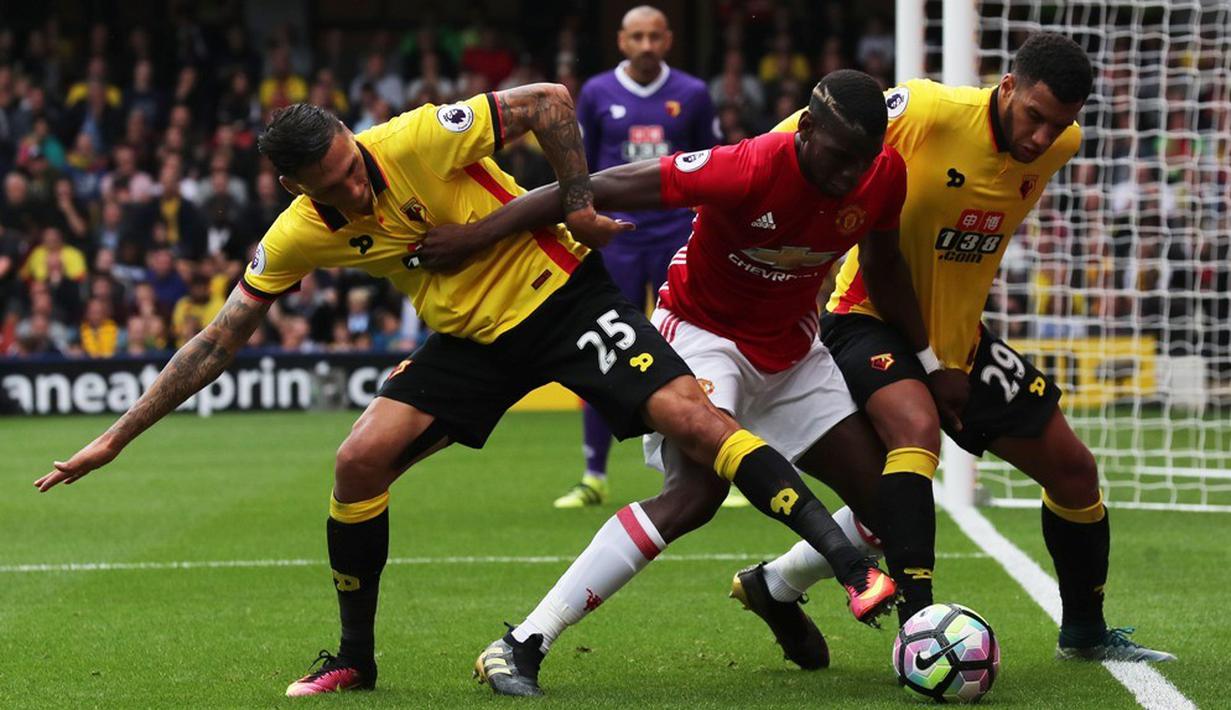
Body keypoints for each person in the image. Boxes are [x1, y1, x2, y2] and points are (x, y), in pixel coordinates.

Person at [35, 84, 893, 697]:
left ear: (350, 137)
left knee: (692, 420)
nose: (354, 184)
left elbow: (550, 102)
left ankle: (851, 565)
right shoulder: (295, 235)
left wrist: (578, 202)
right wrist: (116, 436)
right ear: (297, 189)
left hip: (562, 297)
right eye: (333, 185)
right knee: (358, 461)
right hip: (472, 342)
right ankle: (354, 659)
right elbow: (218, 338)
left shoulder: (415, 137)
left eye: (351, 163)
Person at [419, 70, 941, 696]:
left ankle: (777, 588)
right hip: (703, 337)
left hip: (794, 353)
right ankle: (523, 641)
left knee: (889, 508)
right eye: (839, 156)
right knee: (695, 495)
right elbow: (598, 186)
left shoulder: (884, 174)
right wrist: (475, 235)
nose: (851, 175)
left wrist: (931, 363)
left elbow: (884, 265)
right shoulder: (746, 167)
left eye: (864, 160)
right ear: (805, 129)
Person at [739, 32, 1174, 663]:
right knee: (916, 432)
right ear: (1007, 87)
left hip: (960, 345)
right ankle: (918, 629)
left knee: (1074, 473)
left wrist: (947, 356)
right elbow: (790, 140)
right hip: (864, 319)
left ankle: (1084, 633)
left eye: (1058, 125)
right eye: (1034, 116)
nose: (1041, 138)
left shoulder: (1063, 145)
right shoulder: (926, 110)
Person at [558, 4, 727, 509]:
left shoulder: (693, 93)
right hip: (618, 241)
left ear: (668, 40)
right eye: (638, 37)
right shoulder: (596, 93)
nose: (647, 45)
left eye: (655, 36)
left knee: (702, 348)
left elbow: (715, 168)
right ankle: (593, 474)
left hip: (677, 236)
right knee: (603, 351)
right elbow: (578, 168)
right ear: (622, 41)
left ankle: (720, 467)